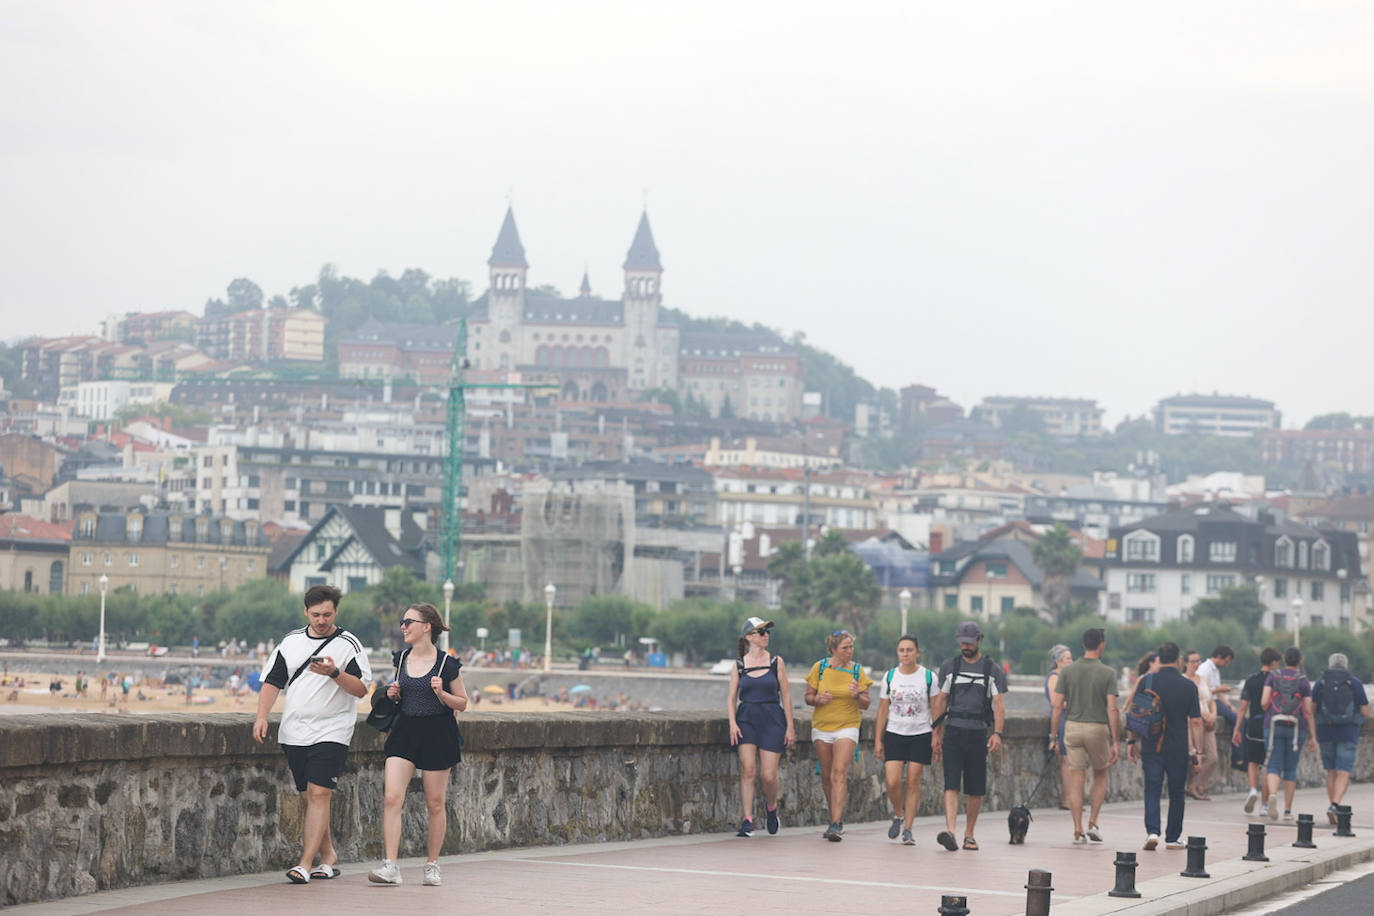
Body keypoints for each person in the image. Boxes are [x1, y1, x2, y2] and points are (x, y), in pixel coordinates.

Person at [253, 584, 372, 885]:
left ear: (336, 612)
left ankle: (304, 864)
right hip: (295, 730)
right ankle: (328, 854)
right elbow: (272, 681)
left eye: (327, 615)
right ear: (306, 612)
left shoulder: (348, 644)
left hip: (333, 729)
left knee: (319, 794)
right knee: (309, 798)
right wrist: (262, 717)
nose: (322, 620)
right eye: (316, 614)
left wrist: (334, 673)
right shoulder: (291, 642)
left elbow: (361, 689)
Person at [369, 603, 468, 887]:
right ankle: (391, 865)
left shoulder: (446, 664)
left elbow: (462, 702)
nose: (403, 627)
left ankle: (432, 864)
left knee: (435, 803)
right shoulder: (400, 659)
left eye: (408, 622)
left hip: (438, 732)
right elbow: (399, 697)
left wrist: (442, 694)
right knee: (392, 797)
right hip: (404, 731)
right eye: (402, 622)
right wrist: (392, 693)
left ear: (427, 626)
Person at [930, 621, 1006, 852]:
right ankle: (951, 830)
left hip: (978, 732)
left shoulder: (991, 669)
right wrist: (936, 732)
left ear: (979, 640)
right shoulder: (949, 666)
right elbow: (941, 701)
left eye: (969, 642)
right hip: (953, 729)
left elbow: (999, 704)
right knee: (951, 782)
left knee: (975, 787)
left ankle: (969, 834)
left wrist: (997, 734)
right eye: (962, 642)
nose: (965, 646)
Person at [1126, 642, 1202, 851]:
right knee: (1177, 792)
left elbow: (1135, 714)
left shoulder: (1146, 681)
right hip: (1178, 747)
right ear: (1178, 660)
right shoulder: (1188, 686)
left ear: (1159, 660)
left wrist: (1131, 741)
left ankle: (1152, 832)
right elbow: (1195, 722)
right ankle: (1173, 837)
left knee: (1152, 788)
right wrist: (1198, 751)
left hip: (1151, 745)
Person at [727, 616, 796, 838]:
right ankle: (747, 820)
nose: (766, 635)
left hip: (772, 718)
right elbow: (731, 698)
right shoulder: (739, 665)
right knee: (748, 770)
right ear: (749, 637)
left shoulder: (776, 662)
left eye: (768, 632)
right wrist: (732, 723)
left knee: (768, 775)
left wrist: (790, 727)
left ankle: (771, 807)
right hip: (747, 717)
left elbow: (786, 695)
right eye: (761, 632)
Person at [1050, 627, 1121, 843]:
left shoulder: (1068, 671)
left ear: (1083, 645)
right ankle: (1093, 822)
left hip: (1072, 727)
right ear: (1102, 645)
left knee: (1076, 779)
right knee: (1100, 774)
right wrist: (1116, 740)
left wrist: (1053, 736)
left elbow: (1057, 706)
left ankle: (1077, 830)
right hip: (1097, 728)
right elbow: (1112, 709)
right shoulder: (1108, 673)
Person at [804, 629, 874, 841]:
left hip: (848, 725)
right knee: (827, 775)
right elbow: (808, 696)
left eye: (851, 647)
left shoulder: (857, 671)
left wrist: (856, 696)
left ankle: (836, 823)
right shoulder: (820, 667)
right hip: (823, 726)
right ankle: (833, 816)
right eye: (845, 648)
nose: (850, 651)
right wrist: (818, 699)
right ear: (833, 649)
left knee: (839, 772)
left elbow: (866, 703)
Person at [875, 635, 937, 846]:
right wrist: (877, 739)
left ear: (917, 652)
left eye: (910, 650)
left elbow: (936, 709)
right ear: (897, 653)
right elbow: (883, 709)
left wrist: (936, 736)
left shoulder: (928, 677)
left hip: (920, 733)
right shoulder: (890, 676)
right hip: (894, 732)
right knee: (892, 782)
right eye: (902, 650)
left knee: (913, 782)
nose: (906, 654)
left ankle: (908, 829)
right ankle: (898, 814)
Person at [1260, 646, 1316, 822]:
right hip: (1296, 727)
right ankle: (1287, 811)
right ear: (1300, 660)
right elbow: (1308, 710)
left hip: (1274, 725)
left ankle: (1273, 794)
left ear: (1284, 659)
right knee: (1291, 768)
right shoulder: (1304, 681)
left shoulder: (1273, 676)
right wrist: (1313, 736)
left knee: (1274, 764)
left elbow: (1263, 702)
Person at [1311, 653, 1369, 824]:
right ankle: (1335, 805)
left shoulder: (1321, 683)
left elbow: (1312, 710)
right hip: (1348, 732)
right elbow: (1366, 712)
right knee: (1344, 771)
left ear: (1330, 666)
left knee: (1331, 771)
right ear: (1346, 666)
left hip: (1326, 732)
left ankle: (1332, 806)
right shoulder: (1355, 683)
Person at [1233, 648, 1282, 814]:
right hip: (1271, 726)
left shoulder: (1251, 680)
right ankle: (1265, 805)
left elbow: (1242, 708)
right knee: (1267, 765)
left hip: (1253, 725)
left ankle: (1253, 790)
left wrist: (1237, 729)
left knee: (1253, 762)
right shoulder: (1276, 680)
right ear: (1274, 662)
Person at [1184, 650, 1218, 801]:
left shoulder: (1203, 679)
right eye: (1193, 661)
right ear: (1186, 663)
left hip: (1207, 721)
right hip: (1192, 721)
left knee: (1212, 757)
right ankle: (1193, 787)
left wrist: (1213, 715)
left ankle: (1198, 785)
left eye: (1198, 661)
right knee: (1196, 755)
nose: (1196, 664)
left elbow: (1211, 700)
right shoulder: (1183, 680)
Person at [1045, 644, 1073, 810]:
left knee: (1073, 761)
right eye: (1068, 658)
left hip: (1070, 718)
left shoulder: (1067, 678)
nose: (1071, 661)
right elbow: (1056, 702)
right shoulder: (1054, 677)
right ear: (1058, 661)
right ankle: (1067, 799)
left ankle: (1072, 798)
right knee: (1066, 760)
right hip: (1061, 719)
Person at [1196, 645, 1236, 735]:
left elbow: (1219, 694)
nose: (1226, 665)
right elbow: (1200, 693)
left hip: (1216, 701)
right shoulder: (1205, 669)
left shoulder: (1215, 669)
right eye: (1226, 662)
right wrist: (1219, 689)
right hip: (1208, 702)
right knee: (1236, 720)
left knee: (1238, 718)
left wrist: (1230, 706)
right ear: (1219, 657)